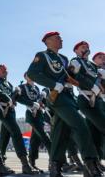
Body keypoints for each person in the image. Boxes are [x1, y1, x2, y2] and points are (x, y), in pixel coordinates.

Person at [27, 31, 102, 177]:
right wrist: (54, 85)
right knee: (81, 126)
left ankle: (55, 166)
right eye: (57, 38)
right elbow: (33, 74)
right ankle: (90, 163)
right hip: (58, 98)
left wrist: (90, 85)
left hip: (69, 96)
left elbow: (72, 76)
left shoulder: (64, 58)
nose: (61, 39)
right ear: (48, 41)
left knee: (60, 133)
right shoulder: (42, 55)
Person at [0, 65, 38, 174]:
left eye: (5, 69)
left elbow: (18, 99)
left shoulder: (10, 85)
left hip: (11, 112)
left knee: (4, 138)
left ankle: (1, 165)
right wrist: (8, 98)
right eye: (1, 69)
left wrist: (28, 102)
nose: (4, 71)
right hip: (3, 111)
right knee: (16, 133)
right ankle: (25, 165)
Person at [69, 41, 105, 169]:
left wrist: (100, 85)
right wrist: (92, 86)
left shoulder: (92, 65)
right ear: (76, 51)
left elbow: (99, 81)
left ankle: (94, 164)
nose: (86, 49)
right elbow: (72, 77)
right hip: (86, 99)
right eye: (83, 47)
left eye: (87, 47)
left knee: (96, 134)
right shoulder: (75, 62)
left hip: (98, 100)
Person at [17, 72, 51, 173]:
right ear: (25, 77)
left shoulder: (36, 88)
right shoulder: (22, 87)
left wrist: (44, 100)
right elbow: (19, 98)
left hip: (40, 115)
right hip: (31, 115)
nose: (31, 77)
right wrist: (32, 104)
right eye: (28, 75)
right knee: (45, 137)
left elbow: (40, 102)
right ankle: (54, 162)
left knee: (35, 141)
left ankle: (32, 163)